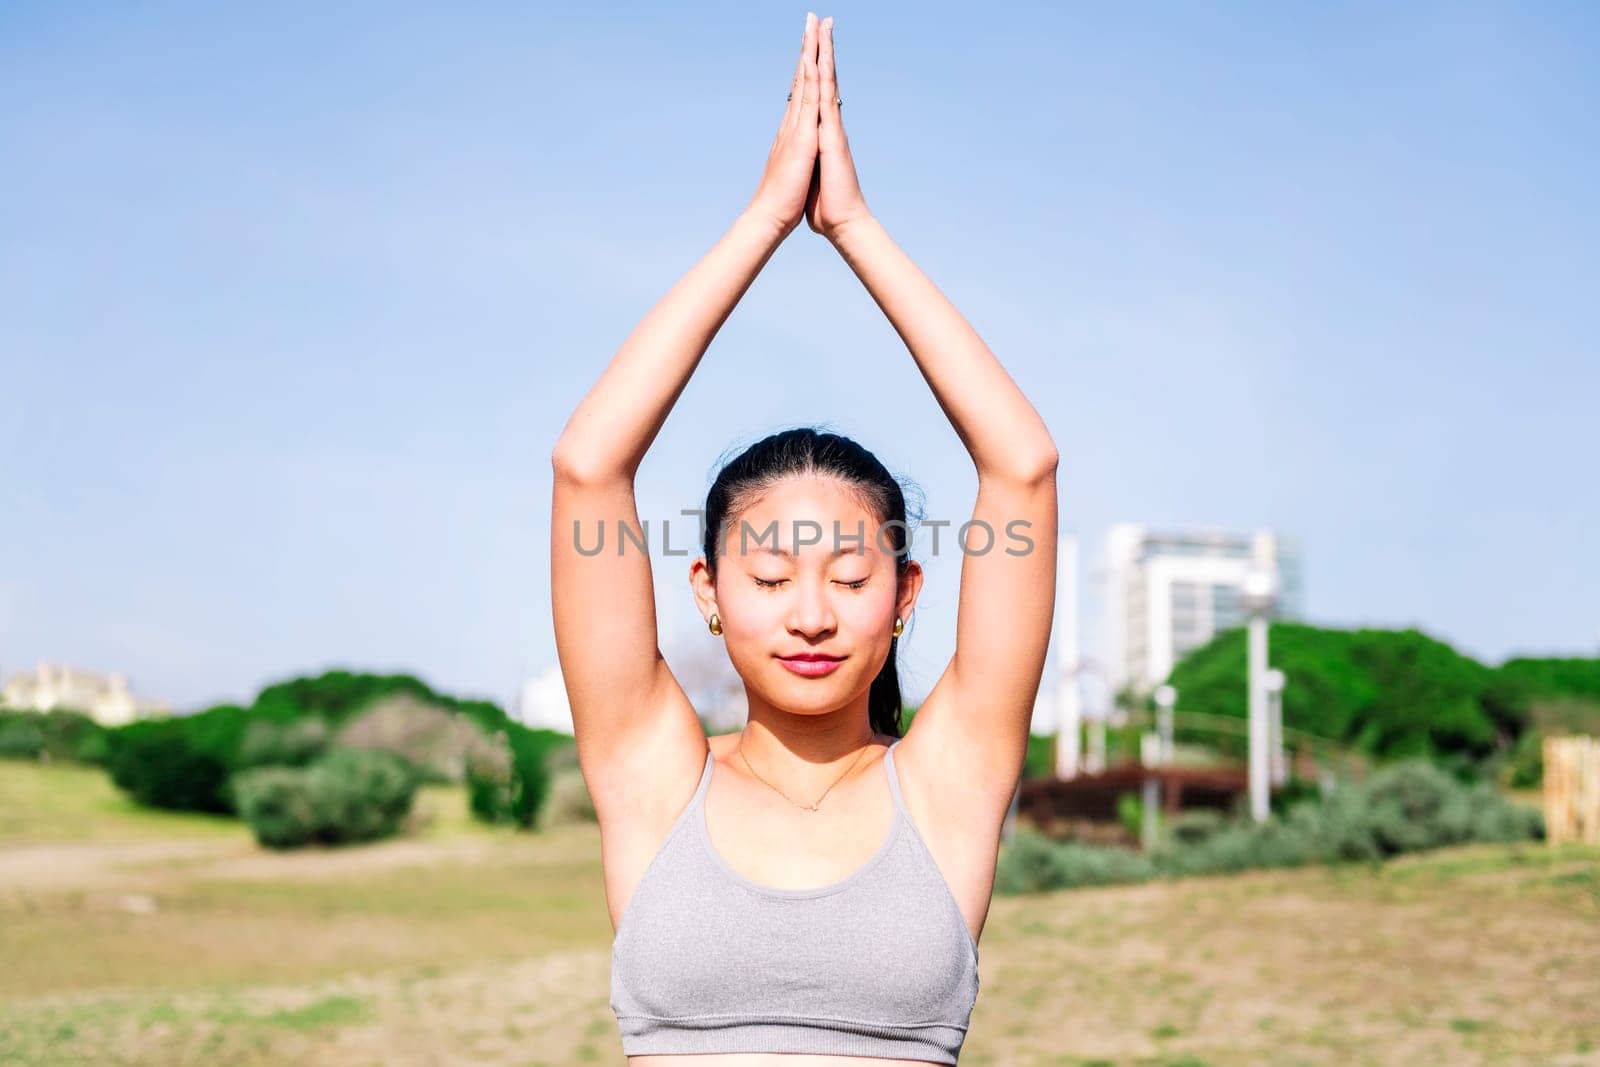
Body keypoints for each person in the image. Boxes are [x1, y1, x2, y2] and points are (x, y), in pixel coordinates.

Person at [551, 12, 1058, 1065]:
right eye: (771, 573)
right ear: (706, 589)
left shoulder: (946, 779)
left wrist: (854, 227)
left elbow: (1021, 466)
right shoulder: (654, 776)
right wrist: (765, 219)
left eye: (850, 572)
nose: (812, 613)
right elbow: (587, 466)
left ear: (907, 591)